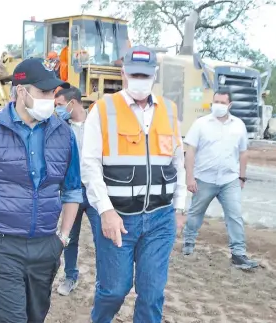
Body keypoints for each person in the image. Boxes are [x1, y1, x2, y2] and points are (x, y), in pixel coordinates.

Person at [0, 57, 82, 323]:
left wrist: (62, 238)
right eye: (44, 92)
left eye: (53, 92)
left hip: (46, 247)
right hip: (2, 245)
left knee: (35, 317)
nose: (51, 97)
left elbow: (72, 191)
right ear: (22, 91)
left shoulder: (64, 134)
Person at [81, 46, 186, 323]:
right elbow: (90, 166)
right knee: (114, 290)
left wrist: (181, 207)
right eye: (135, 73)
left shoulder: (170, 111)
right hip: (119, 218)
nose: (140, 78)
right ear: (124, 72)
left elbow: (178, 163)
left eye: (146, 74)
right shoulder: (102, 110)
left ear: (155, 75)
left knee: (152, 293)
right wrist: (105, 211)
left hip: (160, 218)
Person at [182, 89, 258, 270]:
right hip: (204, 179)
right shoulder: (201, 124)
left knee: (235, 215)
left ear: (230, 105)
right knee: (195, 213)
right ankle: (188, 244)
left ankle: (238, 254)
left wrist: (242, 176)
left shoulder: (239, 125)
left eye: (223, 103)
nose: (219, 105)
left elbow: (243, 152)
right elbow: (190, 151)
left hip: (229, 180)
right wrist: (189, 177)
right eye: (216, 101)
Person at [53, 86, 100, 296]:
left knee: (103, 239)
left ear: (73, 103)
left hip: (95, 190)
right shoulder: (60, 127)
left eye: (60, 105)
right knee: (69, 236)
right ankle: (70, 276)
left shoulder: (98, 123)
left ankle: (104, 282)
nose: (57, 109)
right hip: (72, 191)